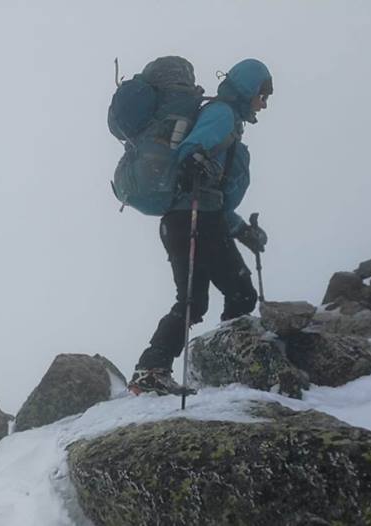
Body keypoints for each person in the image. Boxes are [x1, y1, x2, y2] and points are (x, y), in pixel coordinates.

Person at [129, 58, 273, 395]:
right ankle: (230, 365)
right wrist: (196, 161)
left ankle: (151, 369)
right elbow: (192, 153)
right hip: (195, 219)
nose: (264, 104)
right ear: (249, 89)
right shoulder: (222, 114)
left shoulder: (227, 118)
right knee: (240, 293)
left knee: (194, 300)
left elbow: (210, 192)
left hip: (182, 219)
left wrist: (241, 231)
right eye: (263, 95)